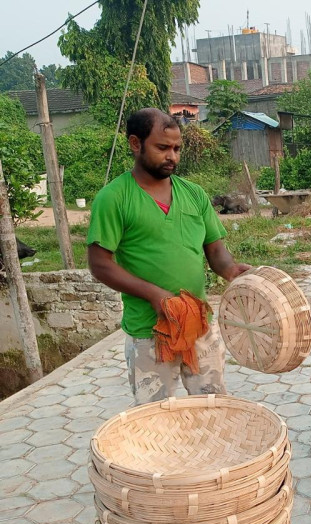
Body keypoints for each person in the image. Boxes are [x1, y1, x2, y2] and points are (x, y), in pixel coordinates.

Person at [87, 108, 251, 404]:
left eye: (177, 149)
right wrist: (155, 295)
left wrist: (231, 270)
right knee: (157, 417)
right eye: (162, 147)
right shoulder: (114, 198)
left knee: (213, 408)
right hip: (149, 332)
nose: (172, 156)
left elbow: (215, 251)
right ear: (135, 143)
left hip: (199, 325)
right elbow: (100, 265)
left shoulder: (194, 194)